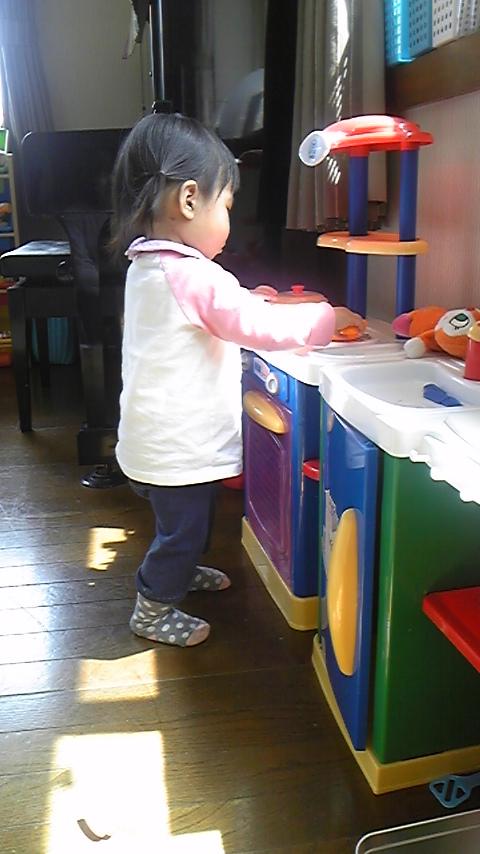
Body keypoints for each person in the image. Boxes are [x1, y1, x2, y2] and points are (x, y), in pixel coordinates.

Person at [110, 112, 364, 648]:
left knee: (189, 520)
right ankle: (153, 606)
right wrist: (324, 319)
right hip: (178, 446)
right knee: (182, 530)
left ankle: (180, 569)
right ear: (189, 200)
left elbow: (215, 313)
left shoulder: (149, 266)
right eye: (226, 205)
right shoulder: (192, 273)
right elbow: (252, 326)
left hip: (153, 438)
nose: (229, 218)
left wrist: (248, 300)